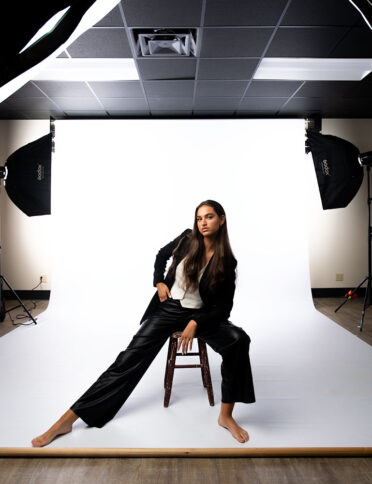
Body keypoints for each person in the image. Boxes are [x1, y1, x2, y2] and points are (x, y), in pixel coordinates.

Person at [31, 199, 255, 447]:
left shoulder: (227, 261)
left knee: (238, 340)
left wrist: (195, 322)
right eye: (200, 218)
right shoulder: (187, 239)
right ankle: (68, 418)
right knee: (127, 360)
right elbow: (161, 255)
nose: (203, 223)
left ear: (222, 219)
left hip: (201, 314)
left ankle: (225, 416)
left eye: (209, 217)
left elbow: (223, 309)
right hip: (170, 308)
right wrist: (159, 281)